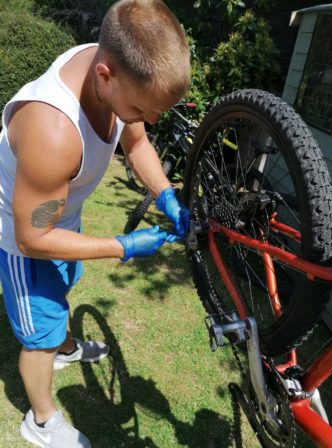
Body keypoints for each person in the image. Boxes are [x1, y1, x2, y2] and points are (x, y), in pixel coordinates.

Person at [0, 0, 191, 446]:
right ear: (105, 77)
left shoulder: (116, 69)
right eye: (144, 108)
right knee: (39, 332)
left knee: (64, 283)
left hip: (57, 212)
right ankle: (41, 420)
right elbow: (34, 237)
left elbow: (137, 142)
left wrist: (165, 194)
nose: (150, 120)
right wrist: (122, 246)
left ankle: (65, 349)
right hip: (19, 232)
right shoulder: (53, 131)